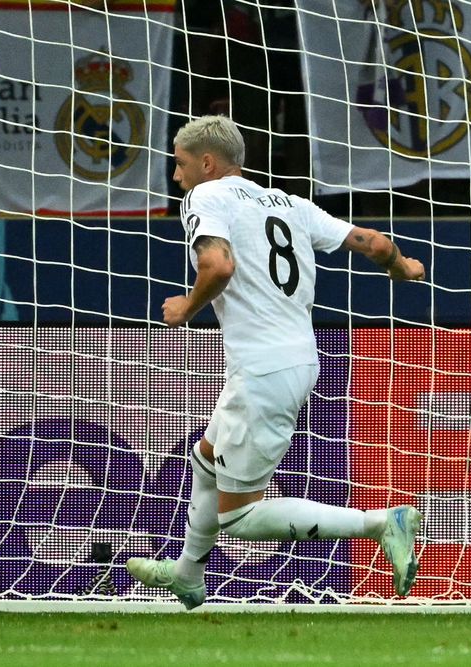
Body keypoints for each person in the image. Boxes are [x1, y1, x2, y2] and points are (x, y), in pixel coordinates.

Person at [127, 115, 425, 608]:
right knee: (205, 459)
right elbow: (374, 241)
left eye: (180, 165)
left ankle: (379, 523)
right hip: (290, 359)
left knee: (240, 519)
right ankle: (187, 574)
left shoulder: (206, 197)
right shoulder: (292, 204)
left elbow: (218, 265)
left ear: (206, 163)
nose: (175, 176)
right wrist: (402, 267)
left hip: (264, 370)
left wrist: (186, 306)